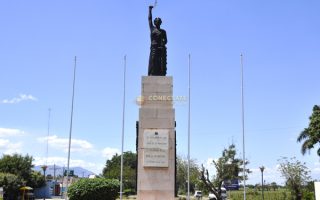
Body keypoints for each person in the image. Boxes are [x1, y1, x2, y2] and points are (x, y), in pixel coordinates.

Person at [148, 5, 167, 76]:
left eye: (159, 21)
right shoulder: (152, 29)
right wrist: (150, 10)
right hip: (153, 48)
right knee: (153, 61)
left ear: (160, 23)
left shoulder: (163, 31)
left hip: (160, 49)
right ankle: (151, 74)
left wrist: (163, 43)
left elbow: (166, 41)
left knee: (160, 63)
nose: (157, 22)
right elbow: (149, 19)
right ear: (155, 22)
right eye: (156, 21)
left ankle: (160, 74)